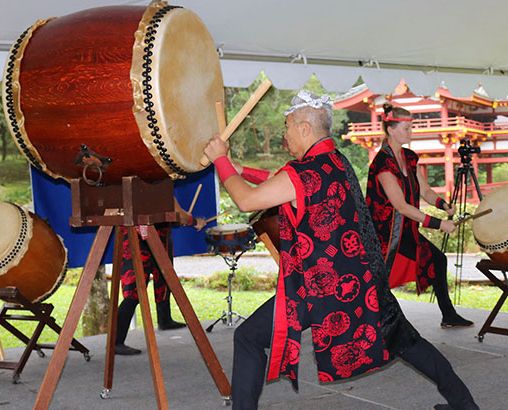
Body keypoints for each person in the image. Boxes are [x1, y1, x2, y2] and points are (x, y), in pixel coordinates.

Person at [203, 91, 478, 410]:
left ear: (304, 128)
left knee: (248, 337)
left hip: (322, 288)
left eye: (288, 126)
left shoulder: (303, 173)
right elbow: (277, 182)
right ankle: (465, 405)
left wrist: (221, 161)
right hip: (364, 279)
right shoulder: (335, 161)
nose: (285, 134)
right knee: (408, 342)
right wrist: (238, 168)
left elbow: (247, 201)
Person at [365, 103, 473, 329]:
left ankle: (448, 315)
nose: (411, 133)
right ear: (391, 130)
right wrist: (439, 224)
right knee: (377, 281)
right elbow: (401, 206)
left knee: (437, 259)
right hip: (383, 234)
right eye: (406, 129)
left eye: (411, 128)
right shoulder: (382, 163)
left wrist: (444, 205)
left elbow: (424, 190)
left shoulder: (410, 158)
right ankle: (369, 325)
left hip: (405, 230)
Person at [115, 198, 206, 355]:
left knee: (163, 279)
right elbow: (179, 214)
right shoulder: (158, 185)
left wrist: (184, 218)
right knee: (133, 292)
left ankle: (165, 319)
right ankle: (116, 341)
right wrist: (193, 220)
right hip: (136, 238)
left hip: (156, 236)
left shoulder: (135, 183)